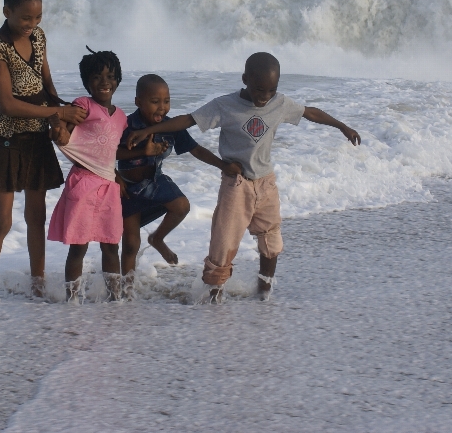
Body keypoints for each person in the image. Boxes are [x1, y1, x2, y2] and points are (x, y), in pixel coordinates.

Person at [126, 52, 361, 302]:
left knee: (272, 240)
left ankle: (264, 293)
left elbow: (309, 112)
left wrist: (342, 126)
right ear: (245, 80)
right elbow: (188, 120)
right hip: (236, 185)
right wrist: (151, 130)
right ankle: (213, 296)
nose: (265, 97)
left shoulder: (279, 103)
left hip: (266, 183)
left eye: (271, 90)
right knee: (223, 243)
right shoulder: (224, 105)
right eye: (260, 90)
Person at [0, 0, 86, 303]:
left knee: (37, 215)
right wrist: (56, 110)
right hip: (8, 138)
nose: (31, 25)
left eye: (37, 18)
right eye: (25, 18)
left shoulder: (38, 37)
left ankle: (38, 283)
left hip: (37, 136)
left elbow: (46, 81)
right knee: (3, 220)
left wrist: (59, 115)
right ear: (7, 12)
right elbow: (6, 103)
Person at [116, 74, 238, 298]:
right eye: (155, 101)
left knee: (181, 205)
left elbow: (196, 149)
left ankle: (157, 238)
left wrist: (222, 165)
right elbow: (108, 152)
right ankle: (127, 290)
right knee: (131, 244)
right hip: (128, 188)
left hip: (155, 181)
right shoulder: (126, 125)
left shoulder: (171, 126)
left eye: (166, 101)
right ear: (138, 102)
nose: (161, 107)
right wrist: (115, 176)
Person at [47, 48, 128, 304]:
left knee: (110, 245)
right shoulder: (83, 104)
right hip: (83, 182)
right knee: (78, 247)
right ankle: (73, 299)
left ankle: (115, 298)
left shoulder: (122, 117)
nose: (105, 82)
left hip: (109, 185)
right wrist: (58, 129)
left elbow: (110, 151)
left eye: (111, 76)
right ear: (86, 82)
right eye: (97, 77)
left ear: (118, 80)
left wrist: (118, 176)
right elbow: (66, 135)